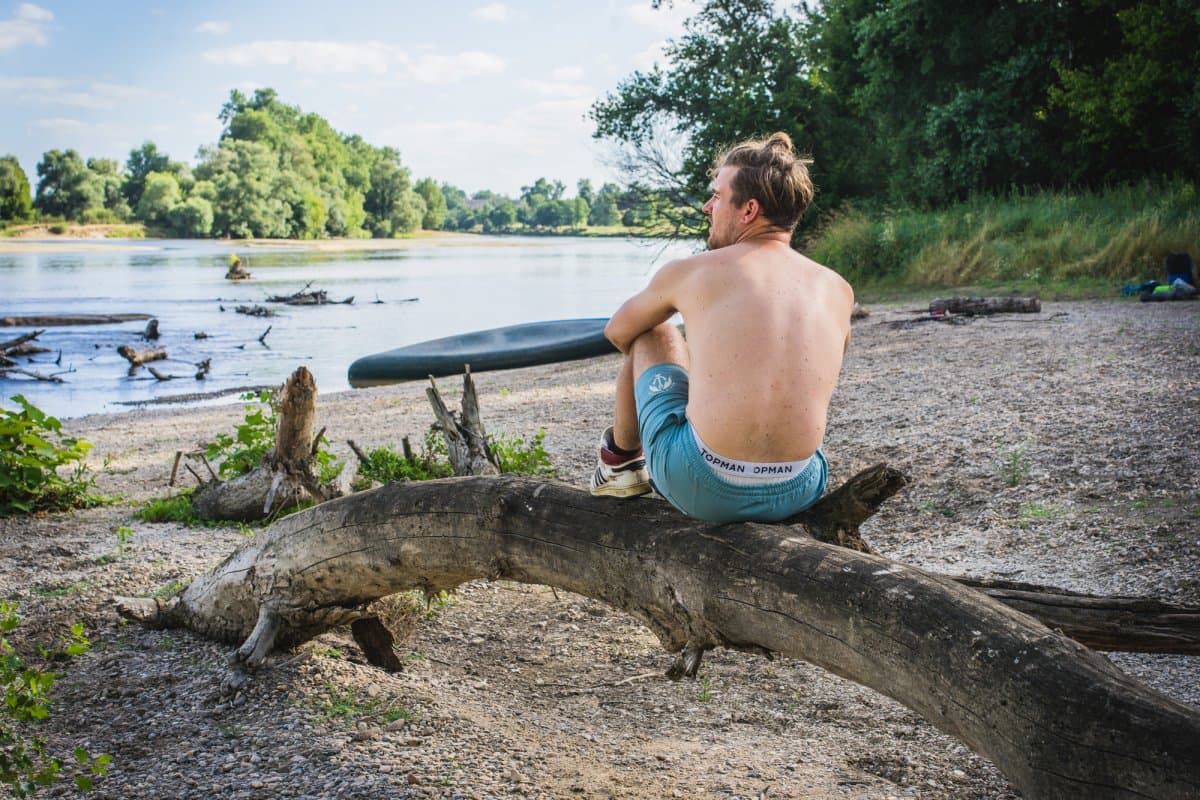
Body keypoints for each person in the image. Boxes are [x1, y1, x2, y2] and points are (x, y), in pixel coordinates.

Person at [588, 132, 854, 524]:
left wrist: (688, 372)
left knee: (654, 331)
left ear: (748, 210)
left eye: (716, 195)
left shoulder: (692, 271)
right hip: (799, 486)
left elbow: (618, 331)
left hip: (705, 485)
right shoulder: (836, 287)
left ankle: (619, 464)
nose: (706, 206)